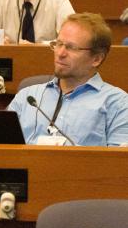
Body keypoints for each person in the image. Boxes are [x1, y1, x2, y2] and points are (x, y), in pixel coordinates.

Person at [8, 13, 128, 146]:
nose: (60, 53)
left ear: (96, 59)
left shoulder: (118, 104)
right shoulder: (26, 97)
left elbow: (119, 162)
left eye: (71, 48)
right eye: (58, 44)